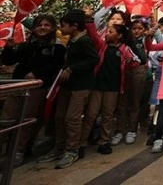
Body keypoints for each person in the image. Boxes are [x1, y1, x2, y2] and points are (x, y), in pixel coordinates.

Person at [0, 15, 65, 167]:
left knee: (26, 120)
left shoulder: (57, 46)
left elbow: (56, 66)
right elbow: (10, 60)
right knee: (6, 119)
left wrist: (37, 74)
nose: (42, 27)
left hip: (37, 89)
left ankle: (19, 151)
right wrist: (8, 48)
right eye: (39, 25)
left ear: (53, 27)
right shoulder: (27, 44)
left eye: (46, 25)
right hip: (17, 86)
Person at [38, 9, 99, 169]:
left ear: (74, 26)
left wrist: (72, 69)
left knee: (72, 119)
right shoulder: (72, 40)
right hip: (67, 85)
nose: (61, 28)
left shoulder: (85, 41)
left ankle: (72, 150)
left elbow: (93, 59)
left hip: (80, 86)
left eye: (64, 25)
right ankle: (59, 147)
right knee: (59, 117)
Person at [80, 23, 134, 157]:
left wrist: (130, 62)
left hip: (113, 88)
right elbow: (93, 35)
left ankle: (104, 142)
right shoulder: (102, 46)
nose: (107, 33)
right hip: (97, 86)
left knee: (108, 115)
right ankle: (81, 143)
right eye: (107, 31)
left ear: (119, 36)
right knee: (90, 115)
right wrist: (90, 20)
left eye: (111, 31)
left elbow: (135, 61)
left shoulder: (124, 49)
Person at [111, 19, 149, 146]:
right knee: (122, 102)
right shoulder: (124, 42)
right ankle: (120, 130)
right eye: (134, 29)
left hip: (138, 71)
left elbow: (143, 58)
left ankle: (132, 130)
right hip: (123, 71)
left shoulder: (145, 41)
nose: (137, 31)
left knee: (134, 102)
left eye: (140, 28)